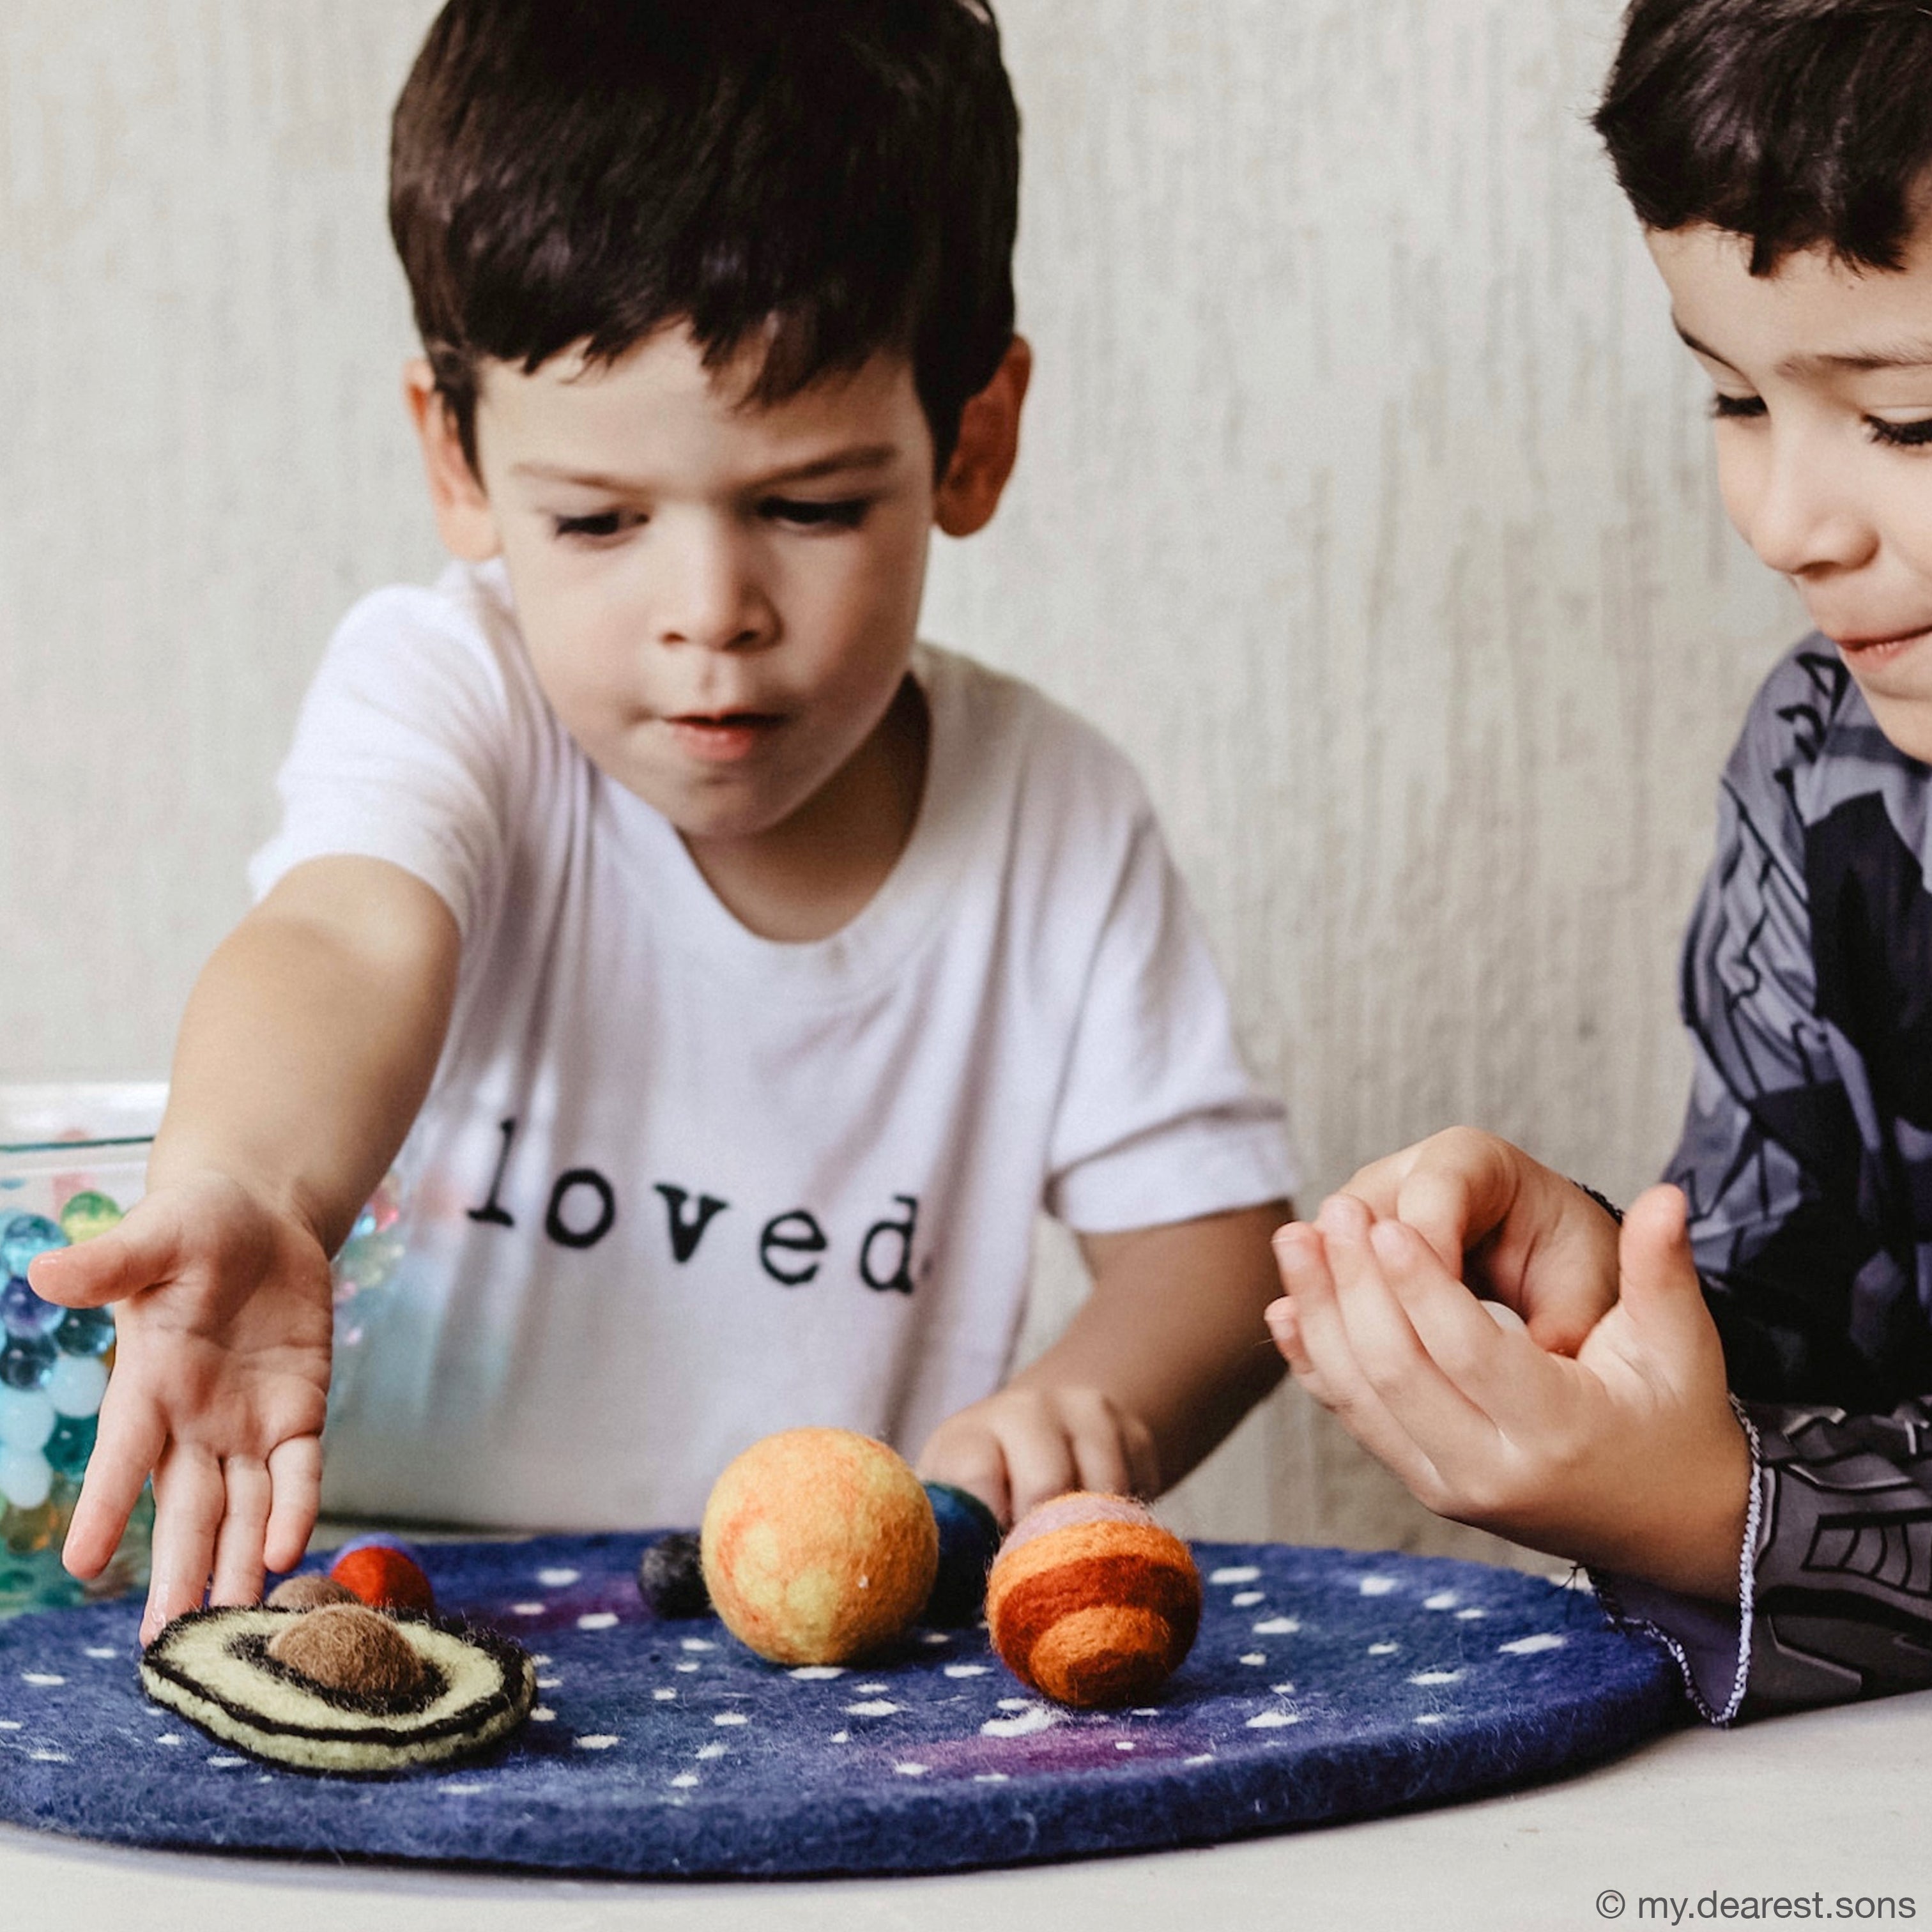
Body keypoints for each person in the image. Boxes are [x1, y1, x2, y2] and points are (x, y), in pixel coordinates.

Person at [29, 0, 1293, 1644]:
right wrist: (251, 1182)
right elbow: (345, 931)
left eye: (811, 506)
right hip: (395, 1613)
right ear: (460, 459)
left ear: (971, 439)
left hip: (812, 1676)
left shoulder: (1052, 815)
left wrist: (1086, 1401)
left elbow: (1215, 1247)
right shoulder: (450, 690)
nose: (712, 612)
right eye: (599, 521)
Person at [1268, 0, 1932, 1723]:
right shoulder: (1824, 766)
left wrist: (1723, 1516)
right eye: (1732, 396)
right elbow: (1830, 1341)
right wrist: (1601, 1311)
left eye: (1911, 421)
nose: (1795, 521)